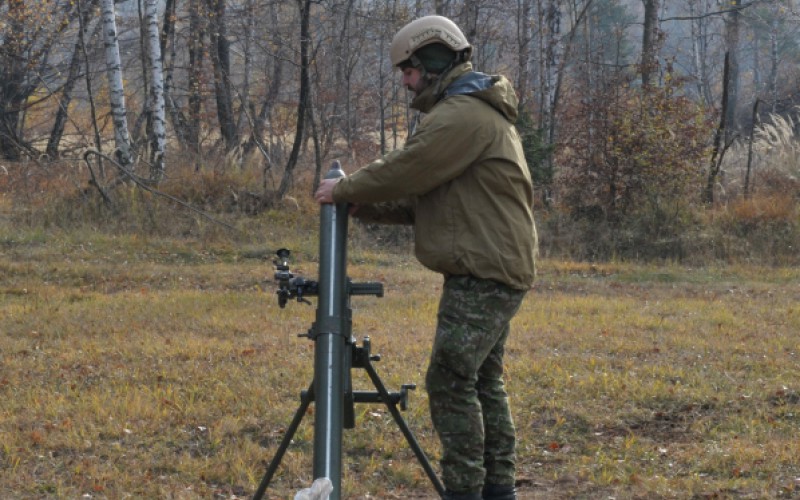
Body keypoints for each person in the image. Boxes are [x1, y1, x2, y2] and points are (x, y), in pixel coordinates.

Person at [314, 15, 537, 500]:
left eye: (409, 69)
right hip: (493, 266)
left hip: (484, 270)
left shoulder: (462, 115)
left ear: (433, 61)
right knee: (481, 380)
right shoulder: (470, 113)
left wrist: (346, 188)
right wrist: (363, 205)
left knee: (451, 379)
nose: (405, 80)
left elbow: (409, 168)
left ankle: (465, 490)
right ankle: (498, 490)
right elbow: (427, 200)